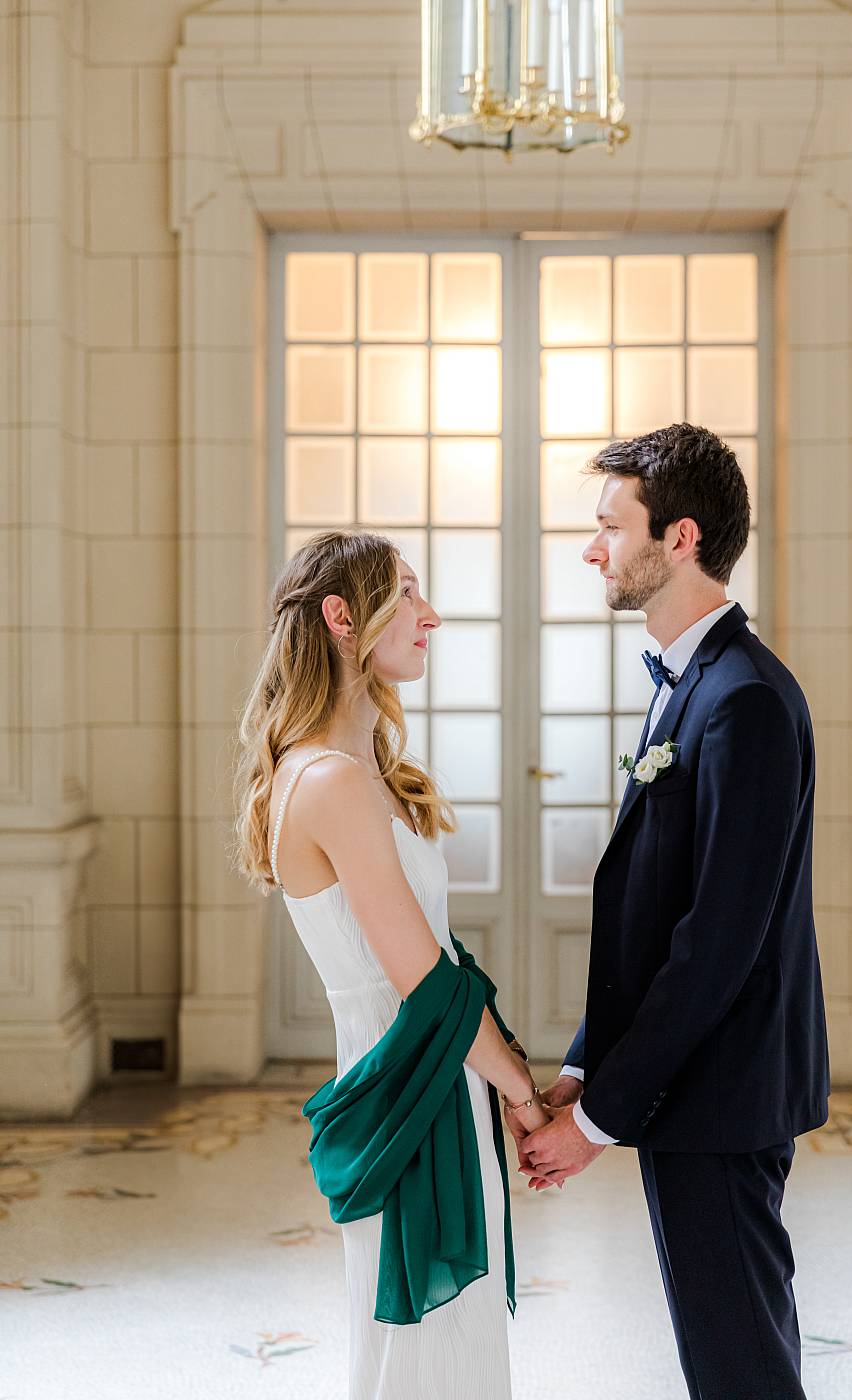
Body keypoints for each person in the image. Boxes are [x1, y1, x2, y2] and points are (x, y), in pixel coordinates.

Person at [520, 424, 830, 1400]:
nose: (590, 547)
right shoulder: (687, 683)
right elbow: (653, 914)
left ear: (680, 537)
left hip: (722, 1096)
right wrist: (584, 1060)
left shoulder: (744, 700)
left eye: (609, 525)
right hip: (692, 1091)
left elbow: (715, 946)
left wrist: (600, 1117)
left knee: (739, 1363)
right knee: (723, 1351)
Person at [232, 528, 548, 1400]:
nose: (430, 615)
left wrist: (503, 1086)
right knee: (430, 1351)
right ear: (342, 616)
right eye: (406, 592)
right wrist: (522, 1092)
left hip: (433, 1074)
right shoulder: (328, 780)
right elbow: (428, 982)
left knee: (437, 1344)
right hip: (410, 1089)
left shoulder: (353, 766)